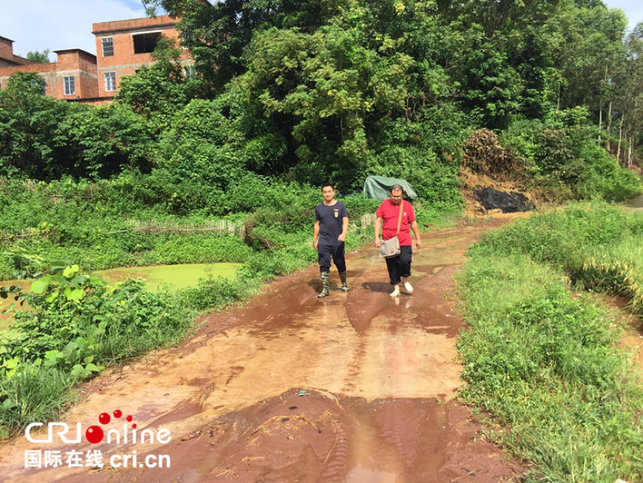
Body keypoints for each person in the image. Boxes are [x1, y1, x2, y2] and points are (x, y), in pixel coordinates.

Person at [374, 185, 422, 297]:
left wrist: (418, 238)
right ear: (390, 194)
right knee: (392, 264)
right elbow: (378, 221)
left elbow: (413, 223)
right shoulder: (384, 204)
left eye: (398, 196)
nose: (396, 198)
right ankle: (396, 287)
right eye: (394, 196)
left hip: (404, 239)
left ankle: (405, 279)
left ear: (402, 195)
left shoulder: (407, 206)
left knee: (405, 260)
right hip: (388, 240)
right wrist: (376, 237)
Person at [313, 183, 349, 298]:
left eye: (329, 191)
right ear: (322, 193)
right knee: (323, 263)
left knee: (340, 262)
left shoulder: (340, 206)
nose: (327, 194)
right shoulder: (319, 207)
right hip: (323, 240)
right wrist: (315, 239)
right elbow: (317, 224)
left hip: (337, 240)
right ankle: (325, 289)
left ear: (334, 192)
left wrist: (343, 234)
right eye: (325, 192)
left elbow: (345, 221)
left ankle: (344, 283)